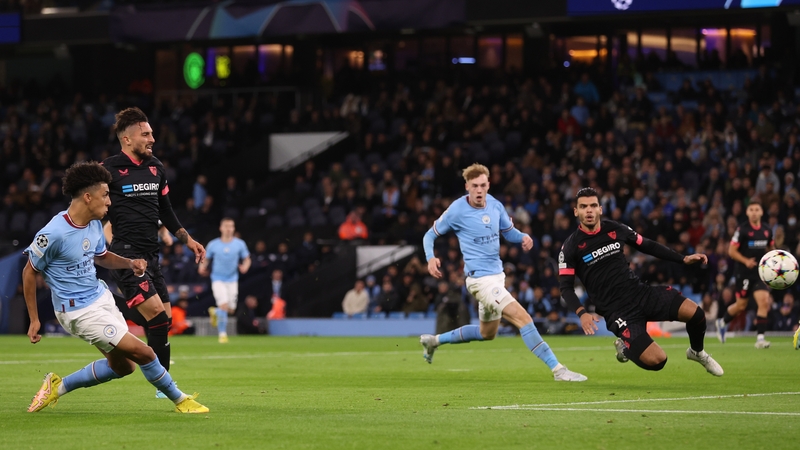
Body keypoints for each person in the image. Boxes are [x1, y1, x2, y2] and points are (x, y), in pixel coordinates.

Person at [22, 161, 208, 413]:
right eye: (106, 195)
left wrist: (129, 263)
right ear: (88, 197)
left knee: (123, 367)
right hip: (77, 311)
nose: (110, 201)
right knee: (144, 352)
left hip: (100, 298)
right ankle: (180, 400)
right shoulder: (53, 233)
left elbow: (101, 256)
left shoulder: (94, 225)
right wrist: (34, 319)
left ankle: (58, 386)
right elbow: (29, 271)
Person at [420, 163, 587, 382]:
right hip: (480, 281)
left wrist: (523, 237)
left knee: (486, 333)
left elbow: (509, 233)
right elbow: (428, 236)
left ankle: (434, 341)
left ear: (488, 185)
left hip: (497, 277)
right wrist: (430, 258)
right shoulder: (456, 210)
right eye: (474, 186)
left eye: (482, 185)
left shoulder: (496, 206)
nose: (479, 190)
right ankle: (558, 369)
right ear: (467, 187)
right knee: (523, 318)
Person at [559, 187, 723, 376]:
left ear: (600, 209)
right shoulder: (570, 247)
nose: (589, 210)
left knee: (696, 314)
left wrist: (683, 258)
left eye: (593, 205)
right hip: (617, 311)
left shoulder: (615, 229)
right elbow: (566, 287)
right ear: (576, 211)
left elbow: (647, 245)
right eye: (584, 206)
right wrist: (581, 313)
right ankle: (626, 346)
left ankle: (697, 352)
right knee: (658, 361)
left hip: (641, 293)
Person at [101, 107, 206, 398]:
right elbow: (92, 207)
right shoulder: (108, 169)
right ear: (126, 138)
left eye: (151, 133)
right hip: (126, 255)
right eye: (145, 134)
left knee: (164, 322)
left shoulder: (156, 168)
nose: (152, 139)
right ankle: (165, 388)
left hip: (151, 257)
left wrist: (188, 240)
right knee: (158, 317)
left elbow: (167, 211)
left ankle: (112, 307)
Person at [716, 200, 773, 348]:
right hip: (744, 273)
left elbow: (772, 249)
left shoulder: (767, 230)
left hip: (760, 273)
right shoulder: (742, 230)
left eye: (757, 209)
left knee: (764, 301)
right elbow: (731, 251)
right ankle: (722, 323)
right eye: (751, 209)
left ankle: (760, 339)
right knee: (741, 306)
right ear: (747, 212)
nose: (754, 212)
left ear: (761, 212)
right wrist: (746, 260)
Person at [198, 217, 251, 343]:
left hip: (232, 279)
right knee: (224, 305)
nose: (228, 229)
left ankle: (215, 312)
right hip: (218, 279)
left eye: (231, 226)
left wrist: (245, 267)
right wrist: (202, 267)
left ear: (233, 228)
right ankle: (222, 334)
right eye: (226, 226)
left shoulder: (239, 244)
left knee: (231, 309)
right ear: (221, 228)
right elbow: (206, 259)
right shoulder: (213, 244)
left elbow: (247, 258)